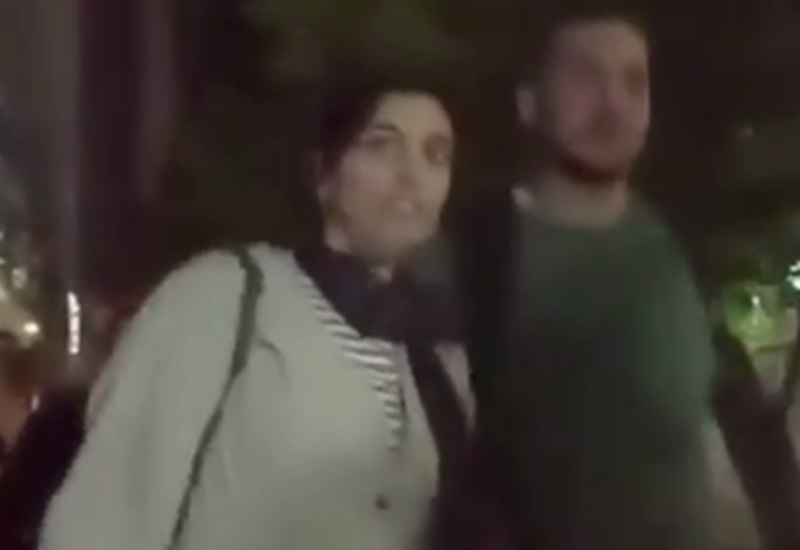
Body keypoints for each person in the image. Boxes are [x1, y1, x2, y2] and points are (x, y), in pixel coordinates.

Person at [40, 74, 474, 550]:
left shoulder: (436, 360)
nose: (412, 174)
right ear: (323, 175)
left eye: (436, 154)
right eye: (382, 146)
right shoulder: (226, 295)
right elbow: (111, 508)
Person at [470, 7, 716, 550]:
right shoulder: (475, 258)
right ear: (529, 103)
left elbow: (690, 440)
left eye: (634, 82)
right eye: (585, 77)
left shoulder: (670, 238)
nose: (614, 105)